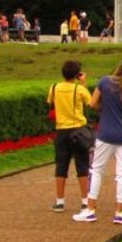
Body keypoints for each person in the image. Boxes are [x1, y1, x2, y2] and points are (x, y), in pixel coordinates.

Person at [73, 57, 122, 224]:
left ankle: (90, 209)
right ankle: (119, 212)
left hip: (106, 133)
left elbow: (92, 103)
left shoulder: (105, 82)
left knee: (97, 170)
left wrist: (105, 109)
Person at [49, 60, 93, 213]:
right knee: (82, 165)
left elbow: (50, 102)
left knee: (61, 165)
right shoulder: (79, 89)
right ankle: (84, 200)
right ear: (77, 74)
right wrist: (83, 83)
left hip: (61, 130)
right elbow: (90, 103)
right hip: (78, 129)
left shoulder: (54, 88)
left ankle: (60, 201)